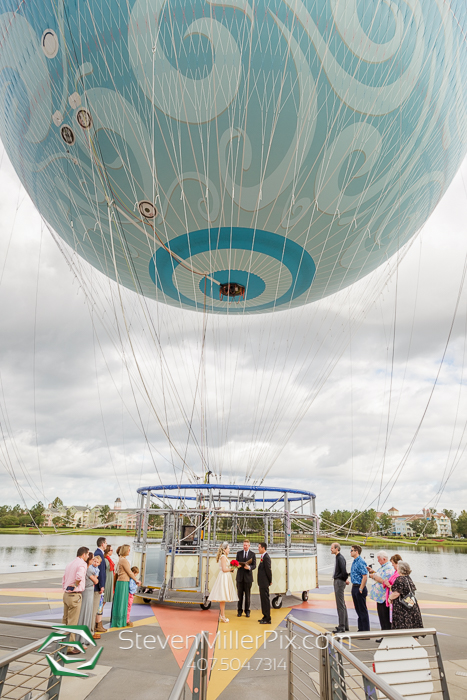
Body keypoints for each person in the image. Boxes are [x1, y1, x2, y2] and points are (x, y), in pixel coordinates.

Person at [62, 546, 89, 653]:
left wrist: (66, 588)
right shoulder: (82, 564)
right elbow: (79, 576)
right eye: (87, 554)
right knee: (72, 622)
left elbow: (64, 579)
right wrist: (76, 584)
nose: (87, 556)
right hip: (74, 595)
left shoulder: (70, 564)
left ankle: (62, 642)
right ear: (83, 555)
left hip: (66, 595)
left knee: (65, 620)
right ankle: (69, 647)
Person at [111, 544, 141, 628]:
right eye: (128, 550)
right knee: (122, 603)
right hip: (123, 582)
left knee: (121, 602)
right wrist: (136, 580)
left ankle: (120, 621)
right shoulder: (123, 560)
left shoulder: (120, 559)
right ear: (125, 550)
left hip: (121, 582)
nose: (129, 551)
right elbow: (129, 572)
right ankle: (121, 621)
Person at [389, 561, 424, 631]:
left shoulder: (400, 579)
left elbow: (397, 593)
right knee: (412, 626)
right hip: (410, 604)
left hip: (402, 607)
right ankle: (414, 640)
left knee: (403, 626)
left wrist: (390, 598)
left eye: (398, 568)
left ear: (400, 569)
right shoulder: (408, 578)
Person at [208, 542, 238, 623]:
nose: (229, 550)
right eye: (228, 548)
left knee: (223, 598)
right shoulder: (223, 557)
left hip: (224, 576)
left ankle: (222, 615)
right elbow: (224, 569)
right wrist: (231, 569)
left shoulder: (223, 557)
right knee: (223, 597)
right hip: (224, 577)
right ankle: (223, 616)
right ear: (224, 550)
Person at [368, 551, 394, 634]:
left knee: (384, 617)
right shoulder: (384, 567)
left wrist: (373, 576)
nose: (378, 561)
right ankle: (384, 634)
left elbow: (384, 580)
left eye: (379, 559)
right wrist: (373, 572)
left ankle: (386, 635)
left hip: (384, 597)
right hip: (380, 597)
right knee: (381, 617)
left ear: (384, 559)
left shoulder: (389, 568)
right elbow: (381, 575)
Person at [78, 553, 100, 642]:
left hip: (85, 590)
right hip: (88, 591)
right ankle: (84, 637)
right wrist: (96, 578)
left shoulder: (84, 569)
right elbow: (96, 581)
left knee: (84, 611)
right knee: (87, 612)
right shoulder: (89, 570)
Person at [350, 545, 370, 632]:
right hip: (354, 586)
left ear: (356, 552)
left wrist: (361, 588)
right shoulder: (354, 561)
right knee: (358, 609)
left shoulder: (360, 561)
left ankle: (365, 630)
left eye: (351, 550)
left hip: (359, 587)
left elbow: (365, 576)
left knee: (362, 610)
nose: (350, 552)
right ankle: (361, 628)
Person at [331, 542, 349, 634]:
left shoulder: (340, 558)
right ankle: (345, 625)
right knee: (342, 604)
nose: (331, 549)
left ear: (337, 549)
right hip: (339, 580)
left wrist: (344, 579)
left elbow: (344, 571)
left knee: (340, 605)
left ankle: (341, 626)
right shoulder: (338, 557)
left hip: (339, 581)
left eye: (332, 548)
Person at [236, 539, 256, 618]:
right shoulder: (239, 553)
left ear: (249, 546)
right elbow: (236, 562)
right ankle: (239, 611)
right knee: (239, 596)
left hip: (248, 578)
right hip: (240, 578)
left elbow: (254, 565)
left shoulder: (252, 554)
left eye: (246, 545)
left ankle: (247, 611)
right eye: (244, 545)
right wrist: (238, 565)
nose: (244, 546)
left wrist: (249, 567)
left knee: (248, 596)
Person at [93, 537, 107, 635]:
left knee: (99, 605)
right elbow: (100, 572)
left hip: (98, 585)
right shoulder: (99, 554)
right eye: (106, 543)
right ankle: (97, 625)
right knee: (97, 605)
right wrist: (101, 585)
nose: (106, 545)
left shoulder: (99, 553)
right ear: (102, 544)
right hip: (98, 586)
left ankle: (98, 624)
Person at [257, 542, 272, 625]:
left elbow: (268, 570)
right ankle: (264, 615)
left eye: (259, 547)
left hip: (265, 582)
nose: (258, 549)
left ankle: (268, 618)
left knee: (265, 600)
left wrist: (270, 580)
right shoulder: (263, 557)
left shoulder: (266, 558)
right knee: (263, 600)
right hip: (262, 582)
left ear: (263, 548)